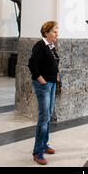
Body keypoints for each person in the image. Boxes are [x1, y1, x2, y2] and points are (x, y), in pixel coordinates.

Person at [28, 21, 62, 165]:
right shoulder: (40, 46)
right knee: (44, 117)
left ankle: (44, 144)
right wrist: (41, 79)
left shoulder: (51, 47)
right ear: (46, 32)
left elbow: (54, 66)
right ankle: (37, 152)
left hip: (52, 84)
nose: (56, 34)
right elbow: (31, 64)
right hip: (43, 85)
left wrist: (57, 82)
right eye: (54, 31)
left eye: (56, 31)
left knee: (48, 115)